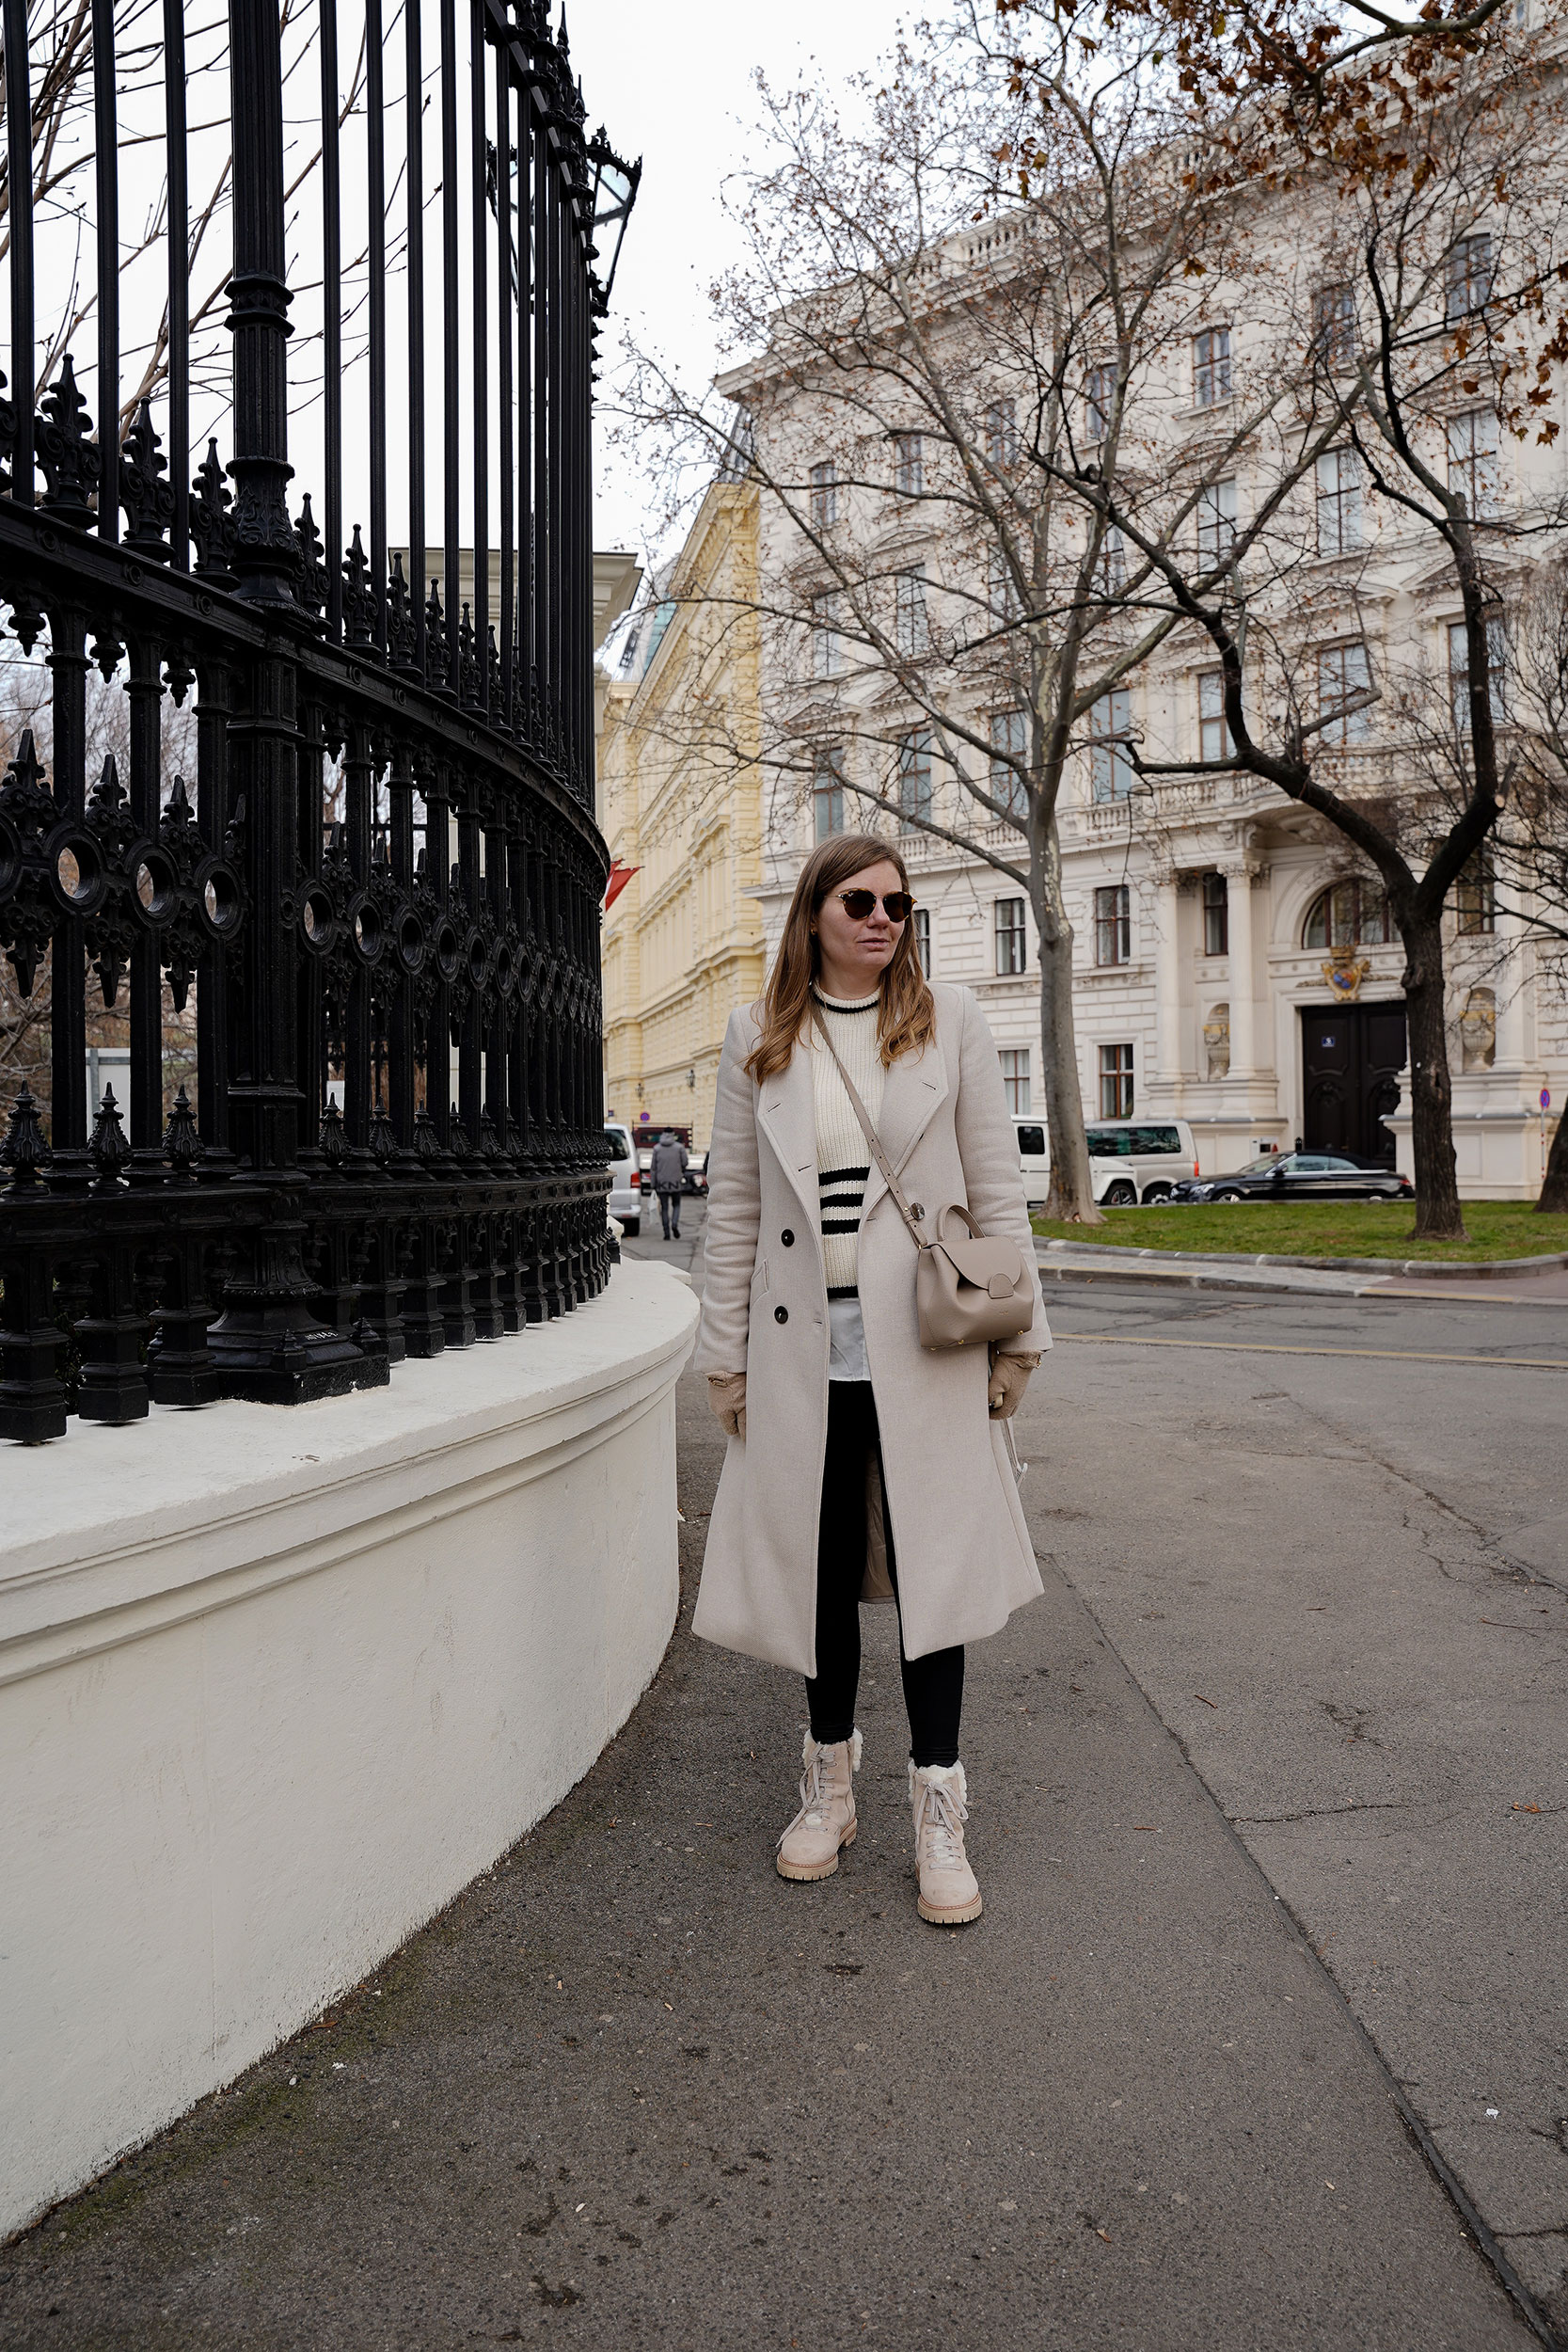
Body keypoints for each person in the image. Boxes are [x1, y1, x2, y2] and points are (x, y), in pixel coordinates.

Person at [692, 834, 1050, 1927]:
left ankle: (938, 1806)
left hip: (926, 1349)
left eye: (897, 902)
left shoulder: (952, 1024)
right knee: (823, 1577)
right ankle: (830, 1783)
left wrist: (1020, 1335)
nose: (881, 917)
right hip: (804, 1353)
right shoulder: (758, 1036)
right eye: (859, 899)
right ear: (813, 913)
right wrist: (725, 1354)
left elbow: (996, 1185)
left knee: (933, 1579)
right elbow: (735, 1214)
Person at [650, 1128, 689, 1239]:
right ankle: (675, 1224)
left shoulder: (656, 1148)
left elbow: (653, 1168)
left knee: (664, 1208)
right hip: (676, 1182)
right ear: (673, 1134)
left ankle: (666, 1233)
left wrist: (653, 1184)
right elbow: (685, 1162)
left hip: (661, 1184)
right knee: (676, 1205)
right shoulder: (679, 1147)